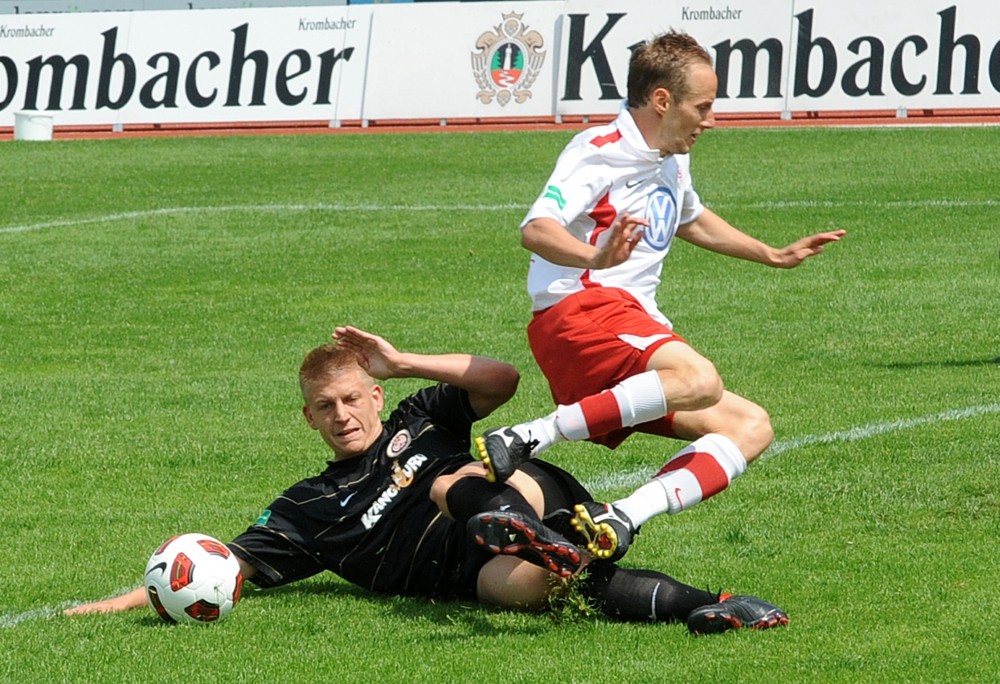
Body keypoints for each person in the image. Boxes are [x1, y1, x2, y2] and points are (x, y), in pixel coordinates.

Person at [65, 325, 787, 634]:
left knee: (450, 481)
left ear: (374, 397)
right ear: (308, 420)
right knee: (535, 590)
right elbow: (215, 564)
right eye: (326, 408)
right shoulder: (310, 507)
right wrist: (115, 603)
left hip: (521, 491)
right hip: (476, 573)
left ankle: (529, 529)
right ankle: (708, 605)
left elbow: (501, 379)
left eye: (352, 399)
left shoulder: (420, 417)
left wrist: (404, 360)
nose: (343, 415)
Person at [475, 30, 846, 560]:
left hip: (624, 319)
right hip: (577, 311)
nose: (711, 120)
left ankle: (622, 516)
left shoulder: (671, 155)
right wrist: (594, 258)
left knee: (750, 426)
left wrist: (773, 254)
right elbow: (536, 228)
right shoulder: (598, 152)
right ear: (662, 100)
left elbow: (689, 218)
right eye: (704, 106)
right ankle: (528, 436)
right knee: (699, 380)